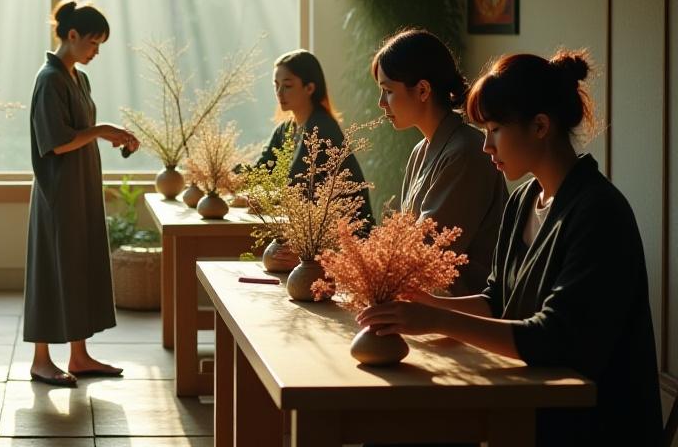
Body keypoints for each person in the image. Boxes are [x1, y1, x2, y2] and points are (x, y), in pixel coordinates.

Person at [357, 50, 661, 446]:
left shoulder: (600, 212)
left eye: (495, 129)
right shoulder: (523, 202)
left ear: (540, 127)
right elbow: (496, 299)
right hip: (526, 406)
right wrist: (425, 303)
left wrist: (438, 321)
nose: (485, 146)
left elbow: (556, 338)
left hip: (589, 425)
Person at [23, 0, 139, 388]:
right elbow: (56, 143)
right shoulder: (49, 79)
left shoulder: (78, 78)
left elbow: (80, 135)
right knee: (52, 268)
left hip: (81, 186)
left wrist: (110, 135)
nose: (96, 51)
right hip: (58, 191)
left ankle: (79, 355)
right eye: (93, 42)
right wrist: (103, 130)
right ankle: (42, 359)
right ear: (71, 36)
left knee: (78, 265)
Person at [372, 29, 505, 295]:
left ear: (422, 90)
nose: (381, 103)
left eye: (387, 91)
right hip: (426, 302)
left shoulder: (466, 152)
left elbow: (425, 254)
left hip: (462, 311)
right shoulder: (421, 150)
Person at [254, 49, 372, 223]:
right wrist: (223, 176)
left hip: (346, 232)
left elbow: (295, 184)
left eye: (287, 86)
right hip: (310, 226)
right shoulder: (285, 130)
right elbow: (260, 171)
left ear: (309, 88)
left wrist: (264, 198)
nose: (279, 92)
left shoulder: (321, 127)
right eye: (276, 85)